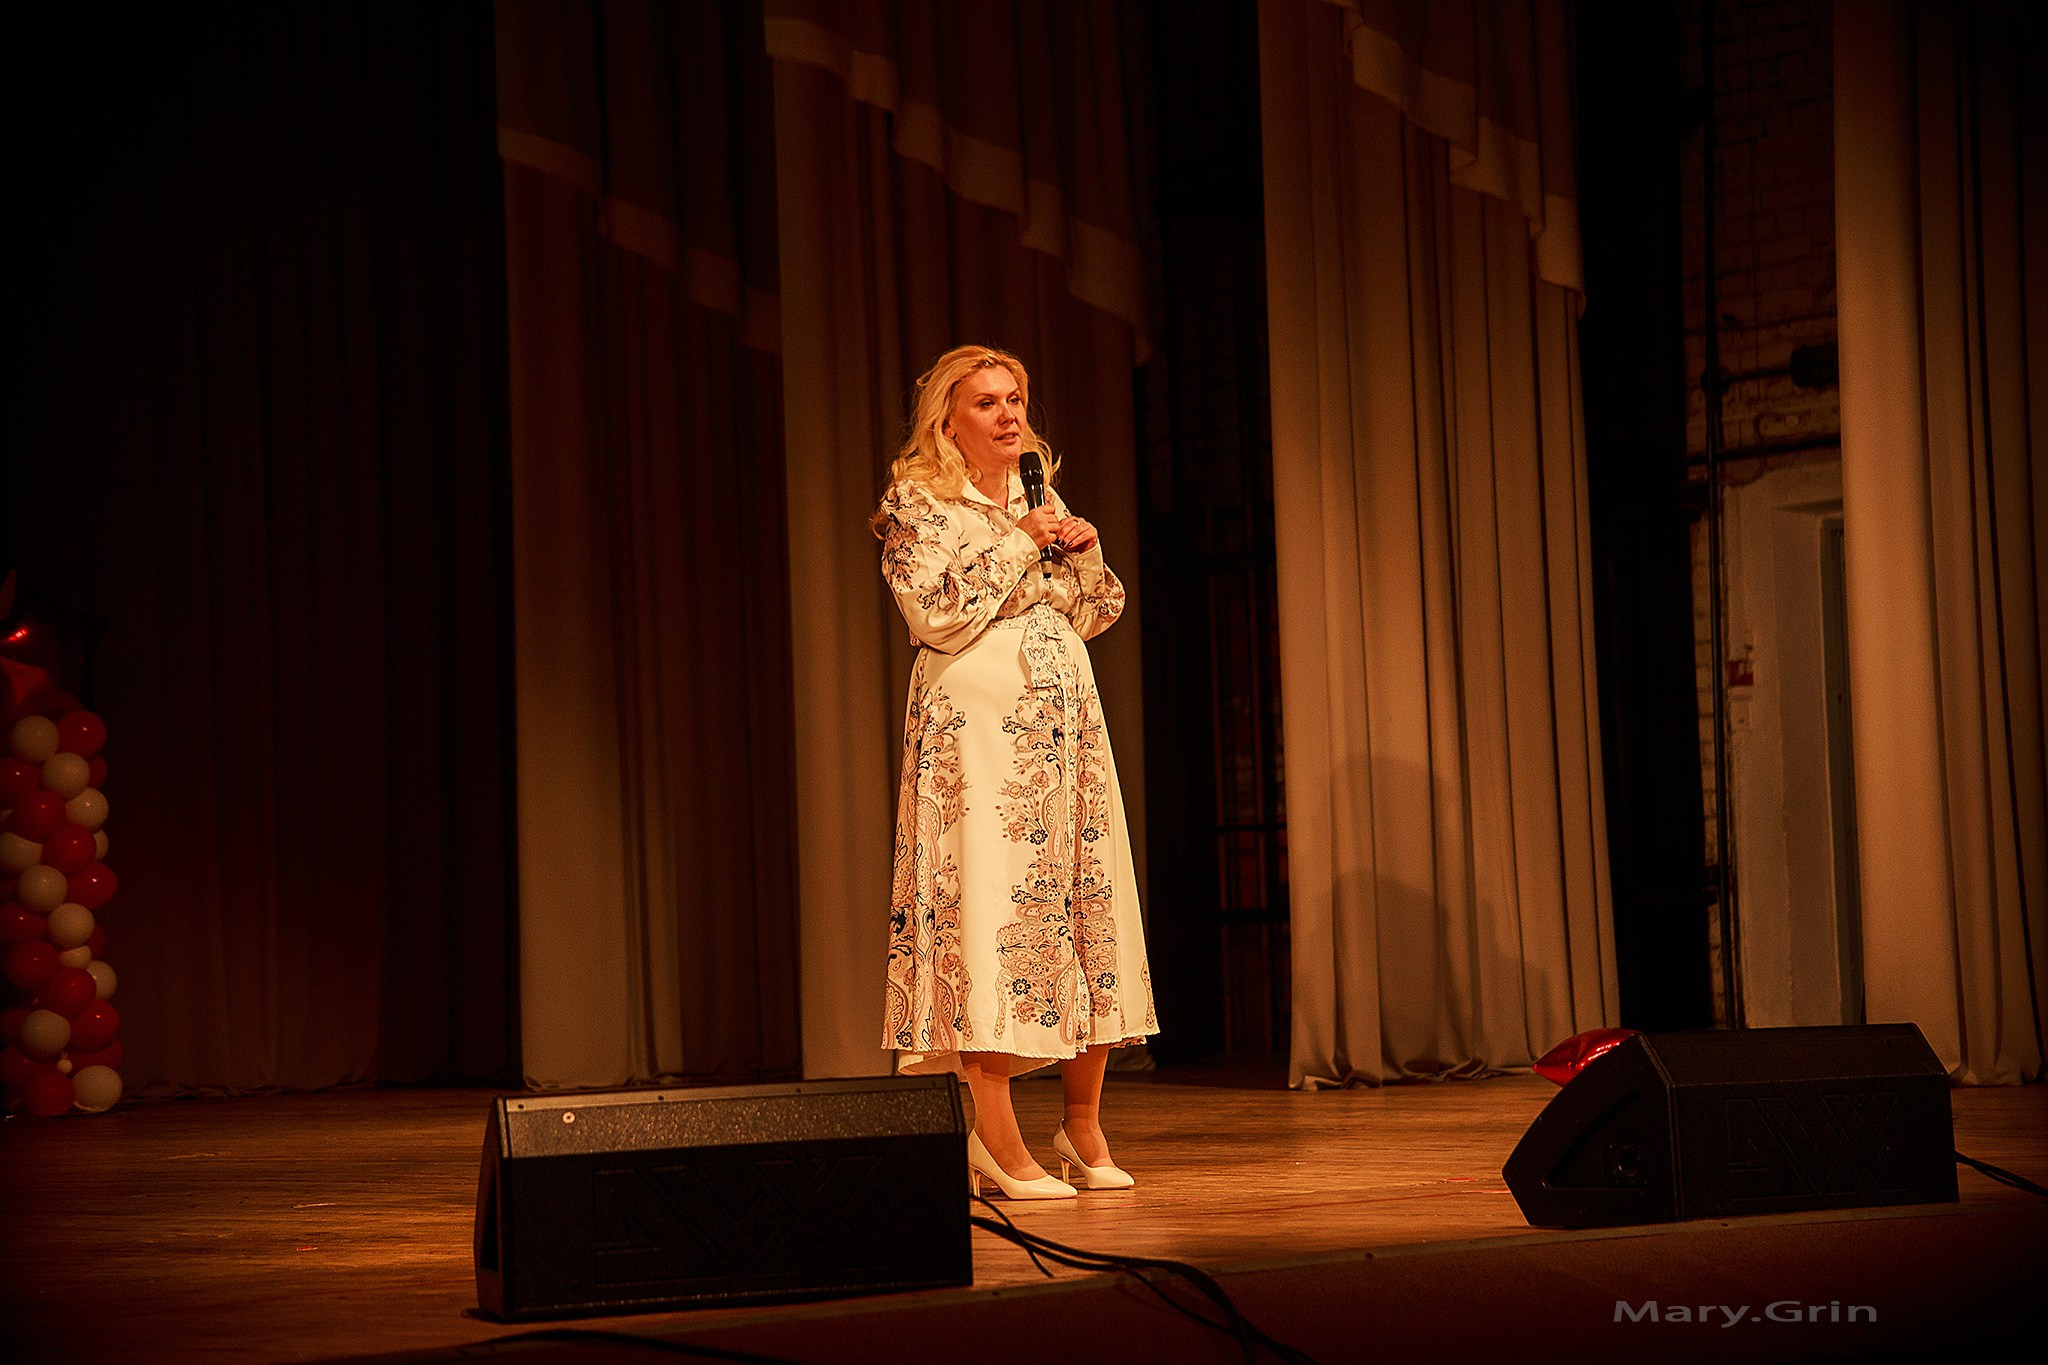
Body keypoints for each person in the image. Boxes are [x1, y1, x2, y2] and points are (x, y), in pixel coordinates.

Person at [874, 345, 1157, 1200]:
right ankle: (992, 1139)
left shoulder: (1037, 487)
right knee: (996, 912)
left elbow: (1097, 610)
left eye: (1017, 399)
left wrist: (1085, 547)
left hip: (1065, 731)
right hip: (981, 737)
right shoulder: (917, 500)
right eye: (989, 402)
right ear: (947, 418)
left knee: (1084, 902)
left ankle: (1081, 1126)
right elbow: (933, 613)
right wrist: (1017, 546)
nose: (1008, 415)